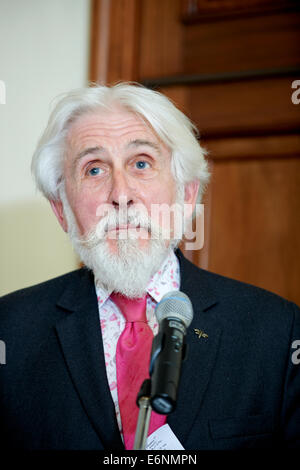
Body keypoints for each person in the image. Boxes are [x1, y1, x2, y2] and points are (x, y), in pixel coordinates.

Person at [0, 83, 299, 450]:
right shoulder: (9, 331)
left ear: (186, 195)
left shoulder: (277, 331)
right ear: (62, 209)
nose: (121, 194)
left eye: (141, 163)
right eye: (94, 170)